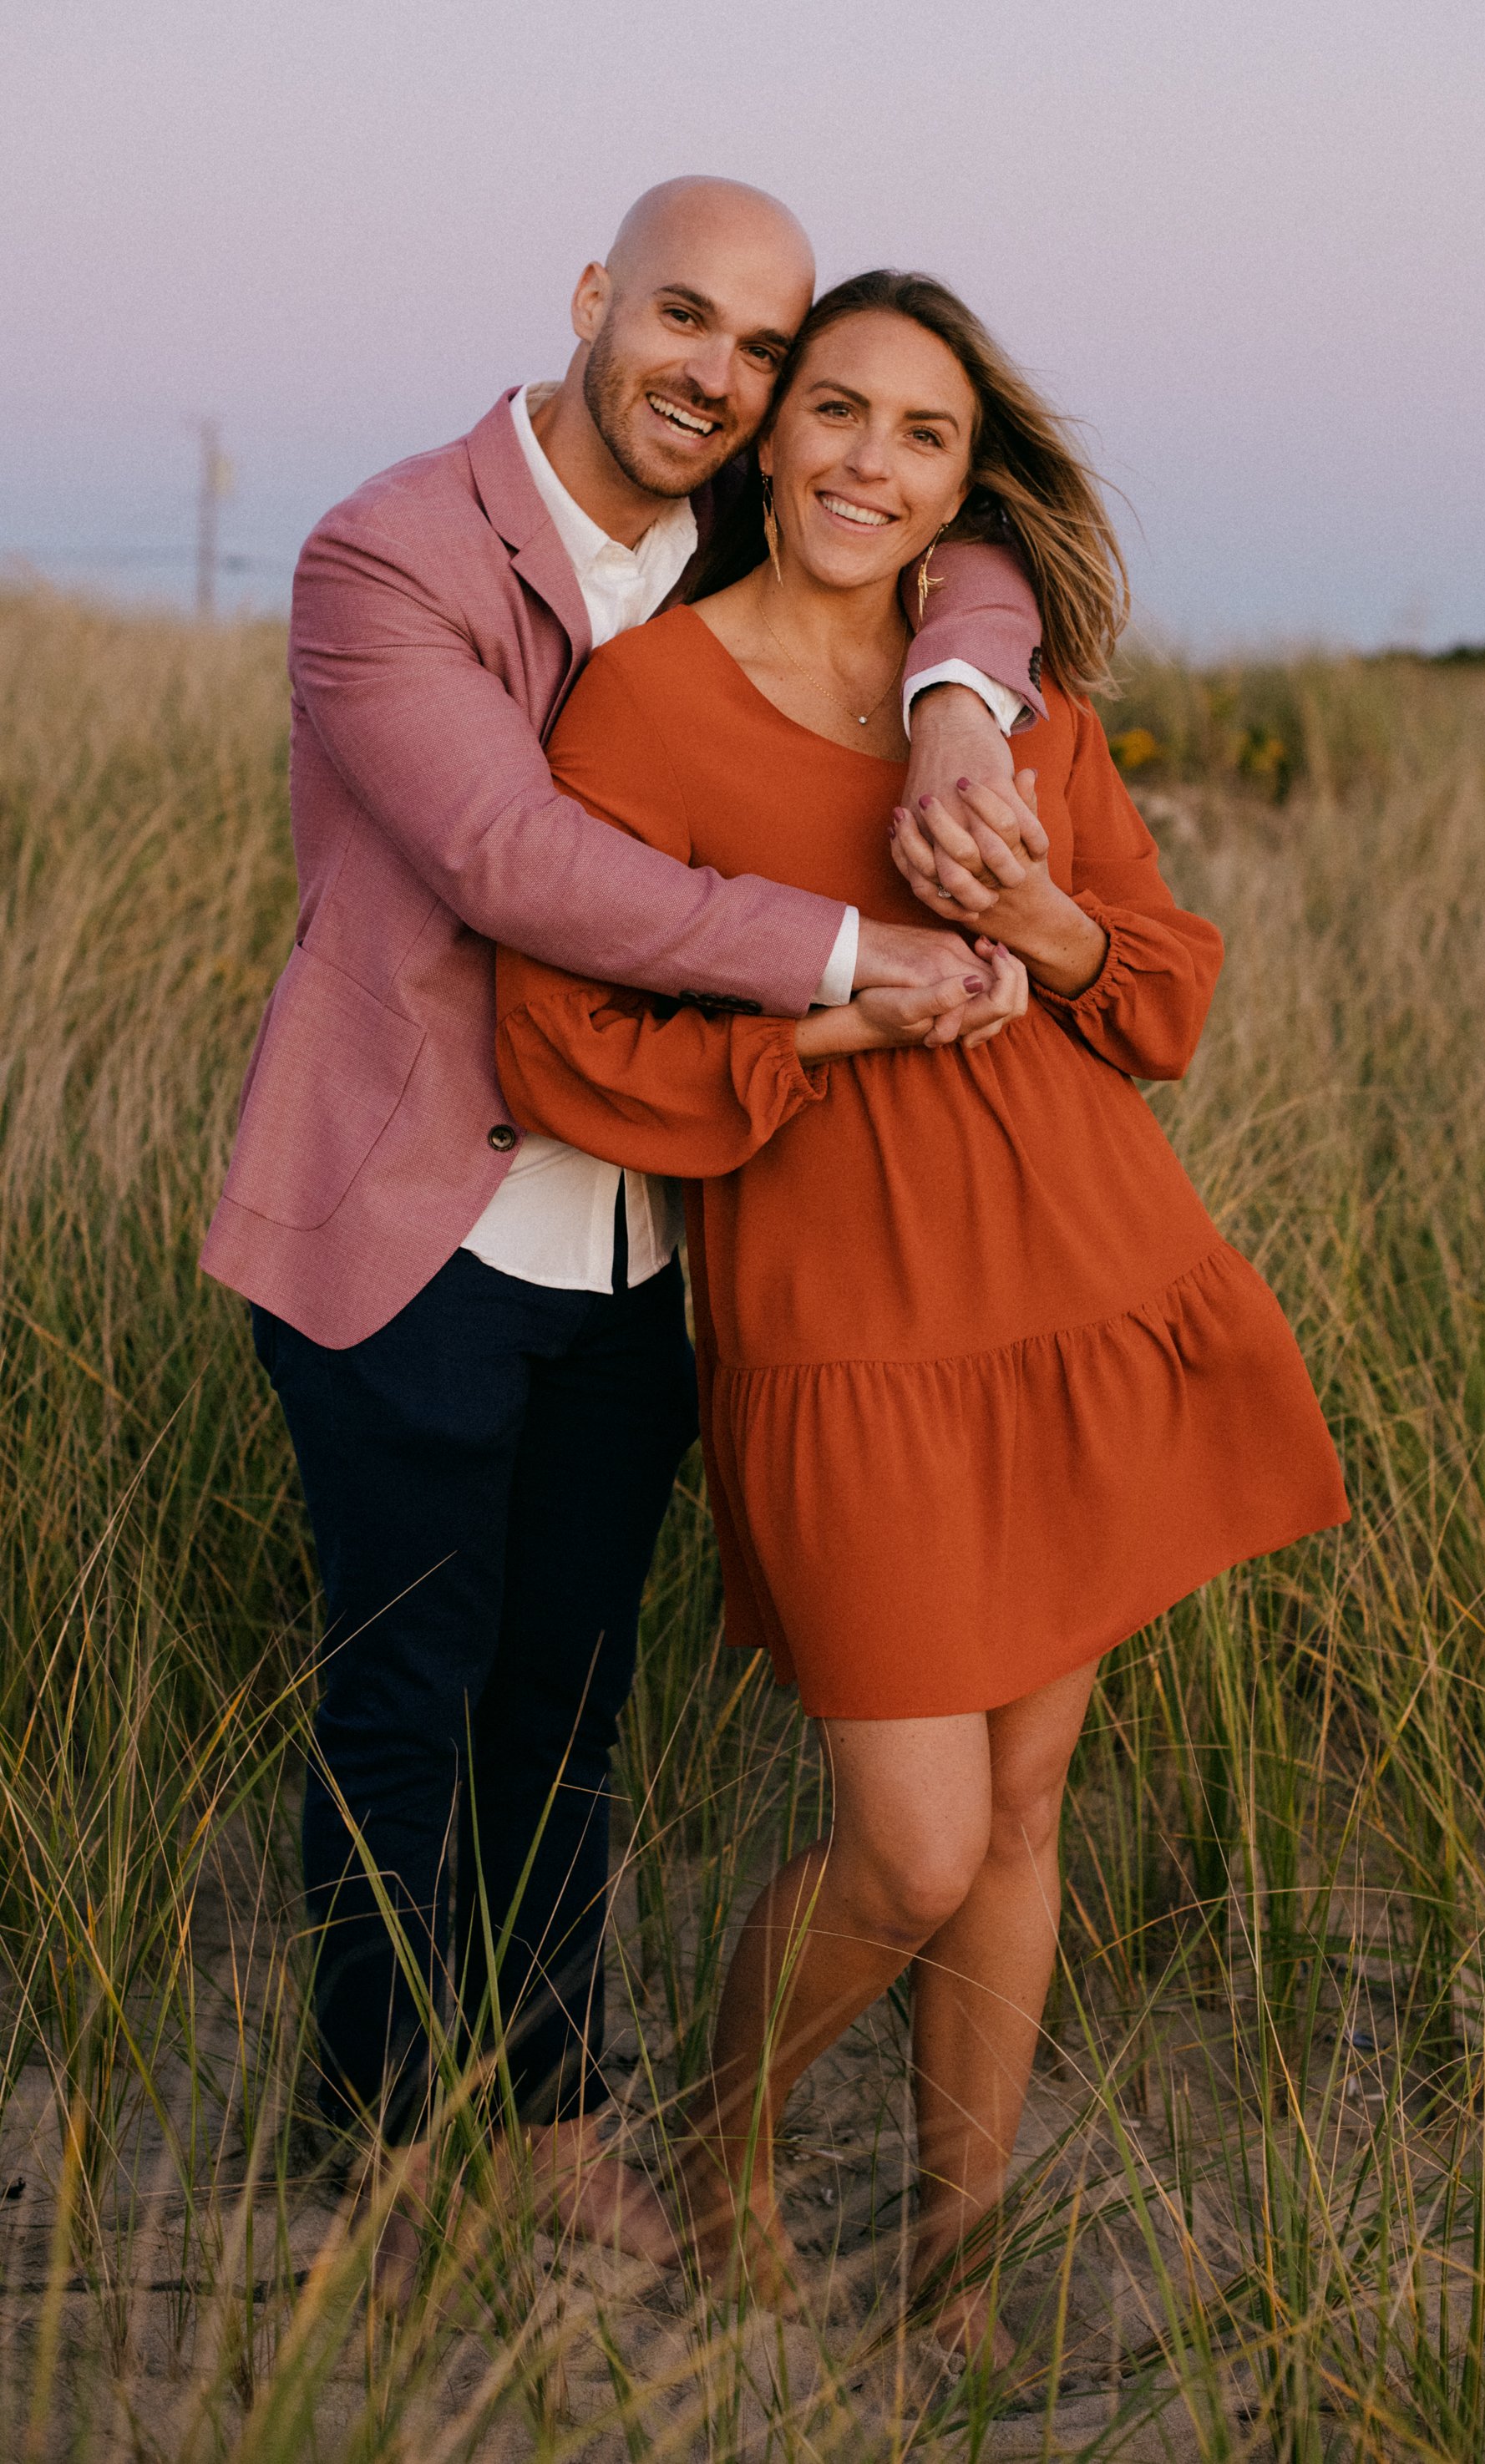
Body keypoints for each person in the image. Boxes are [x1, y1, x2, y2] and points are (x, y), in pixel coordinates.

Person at [494, 268, 1351, 2355]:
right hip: (844, 1327)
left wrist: (1035, 912)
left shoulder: (1005, 687)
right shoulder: (648, 703)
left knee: (1032, 1799)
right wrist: (841, 1020)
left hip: (1079, 1276)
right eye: (840, 414)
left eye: (924, 435)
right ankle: (725, 2149)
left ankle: (952, 2274)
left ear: (966, 479)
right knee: (910, 1839)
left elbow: (1154, 995)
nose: (871, 464)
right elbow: (564, 1046)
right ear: (771, 434)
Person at [201, 182, 1051, 2277]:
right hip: (413, 1219)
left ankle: (553, 2103)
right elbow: (518, 862)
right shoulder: (387, 552)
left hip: (655, 1240)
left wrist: (961, 695)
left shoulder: (750, 533)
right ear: (594, 303)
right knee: (412, 1691)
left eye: (763, 353)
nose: (723, 375)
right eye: (687, 319)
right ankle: (378, 2130)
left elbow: (968, 557)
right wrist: (853, 949)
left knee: (567, 1700)